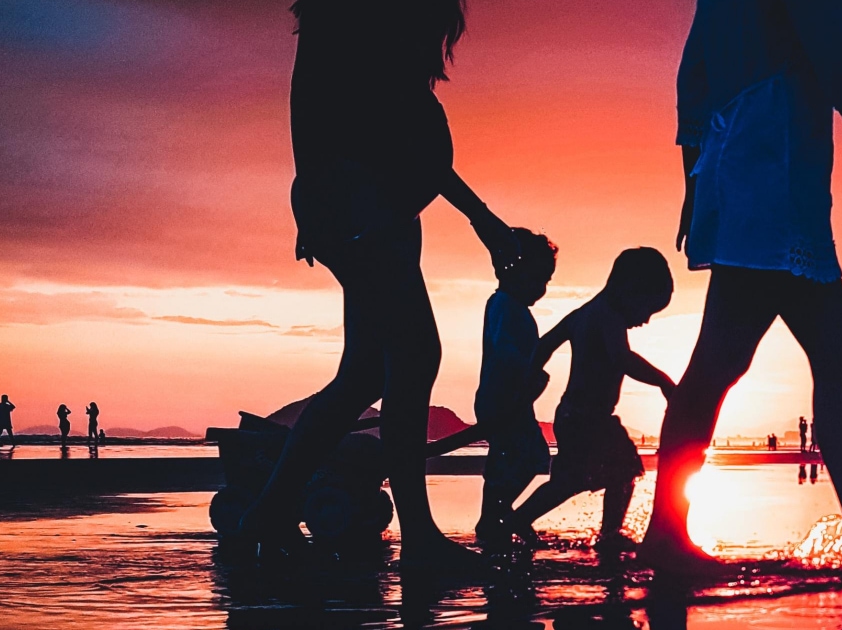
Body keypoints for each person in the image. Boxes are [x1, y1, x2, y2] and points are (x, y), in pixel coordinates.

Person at [640, 0, 842, 573]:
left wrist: (693, 180)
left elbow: (694, 80)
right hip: (775, 168)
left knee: (763, 359)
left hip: (745, 168)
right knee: (784, 358)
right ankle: (669, 533)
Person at [239, 0, 519, 568]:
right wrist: (316, 195)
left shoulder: (384, 30)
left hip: (382, 205)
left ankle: (268, 513)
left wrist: (481, 218)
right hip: (359, 205)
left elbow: (410, 137)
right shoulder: (345, 13)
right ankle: (417, 536)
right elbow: (309, 99)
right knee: (415, 354)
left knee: (367, 369)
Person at [505, 248, 676, 553]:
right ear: (630, 290)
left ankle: (519, 519)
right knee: (624, 470)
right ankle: (610, 535)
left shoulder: (584, 313)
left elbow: (545, 343)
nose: (646, 320)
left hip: (572, 414)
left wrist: (529, 376)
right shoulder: (607, 316)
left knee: (568, 480)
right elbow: (622, 358)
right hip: (589, 418)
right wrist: (664, 381)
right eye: (647, 309)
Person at [469, 229, 557, 542]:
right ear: (512, 271)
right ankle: (498, 514)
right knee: (528, 455)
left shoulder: (509, 306)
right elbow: (505, 351)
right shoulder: (506, 306)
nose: (542, 288)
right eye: (538, 279)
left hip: (509, 398)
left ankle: (494, 515)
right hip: (503, 399)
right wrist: (530, 374)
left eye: (546, 281)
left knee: (513, 457)